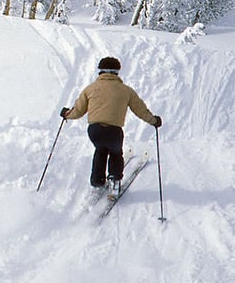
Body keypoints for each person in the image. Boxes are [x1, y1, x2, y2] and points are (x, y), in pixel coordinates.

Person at [59, 56, 162, 195]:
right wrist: (154, 121)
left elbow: (77, 111)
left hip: (94, 130)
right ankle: (114, 179)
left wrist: (66, 114)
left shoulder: (90, 89)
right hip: (114, 131)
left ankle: (97, 181)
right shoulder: (126, 90)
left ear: (100, 71)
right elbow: (140, 110)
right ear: (117, 72)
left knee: (100, 150)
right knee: (115, 152)